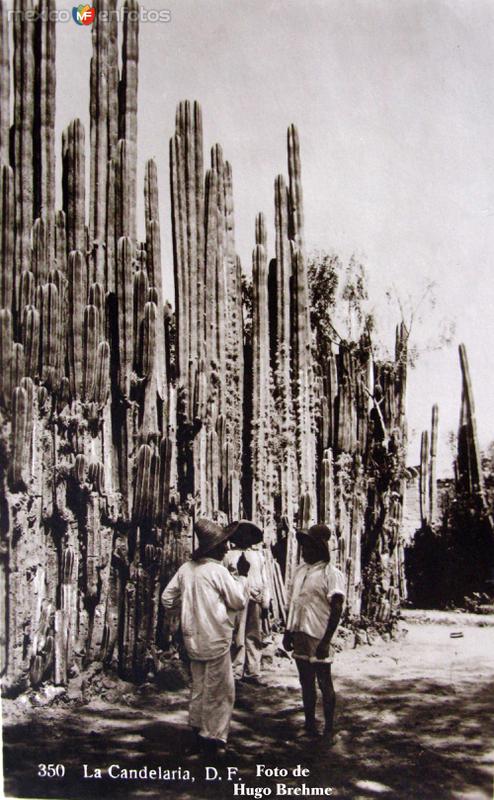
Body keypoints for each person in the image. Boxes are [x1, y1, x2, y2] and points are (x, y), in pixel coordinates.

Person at [161, 518, 250, 758]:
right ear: (215, 547)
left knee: (199, 688)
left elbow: (167, 599)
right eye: (223, 544)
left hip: (192, 638)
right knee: (221, 691)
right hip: (216, 638)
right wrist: (241, 578)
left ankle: (197, 734)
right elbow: (238, 601)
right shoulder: (218, 571)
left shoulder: (186, 569)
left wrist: (187, 612)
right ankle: (214, 740)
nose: (226, 548)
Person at [283, 524, 345, 739]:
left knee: (324, 681)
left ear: (319, 548)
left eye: (309, 546)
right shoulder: (300, 571)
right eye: (303, 546)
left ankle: (329, 728)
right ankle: (310, 724)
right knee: (305, 681)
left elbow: (337, 607)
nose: (304, 551)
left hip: (319, 635)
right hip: (300, 632)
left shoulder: (331, 574)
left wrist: (326, 640)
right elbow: (295, 603)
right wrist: (288, 631)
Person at [223, 520, 270, 685]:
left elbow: (265, 579)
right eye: (241, 534)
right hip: (237, 599)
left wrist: (265, 602)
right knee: (237, 635)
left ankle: (253, 671)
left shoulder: (259, 556)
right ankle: (235, 672)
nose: (244, 537)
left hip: (255, 599)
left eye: (248, 534)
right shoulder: (229, 556)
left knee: (254, 635)